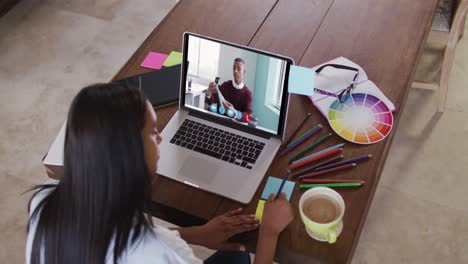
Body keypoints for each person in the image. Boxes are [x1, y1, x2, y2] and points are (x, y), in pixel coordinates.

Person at [26, 82, 294, 264]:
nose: (161, 139)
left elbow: (116, 240)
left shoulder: (44, 203)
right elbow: (153, 247)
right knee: (242, 255)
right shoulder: (162, 253)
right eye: (153, 132)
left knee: (235, 257)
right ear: (130, 156)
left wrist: (196, 234)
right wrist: (269, 233)